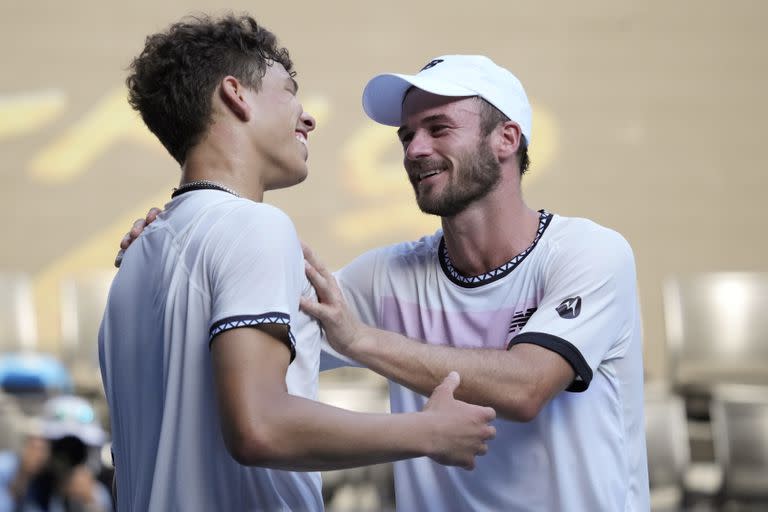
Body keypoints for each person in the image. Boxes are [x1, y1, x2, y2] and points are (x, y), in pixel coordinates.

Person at [119, 54, 649, 510]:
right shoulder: (384, 276)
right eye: (406, 135)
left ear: (506, 139)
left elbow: (527, 386)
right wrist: (175, 242)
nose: (414, 149)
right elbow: (240, 325)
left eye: (438, 128)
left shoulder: (590, 253)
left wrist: (365, 341)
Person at [99, 16, 495, 512]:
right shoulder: (255, 227)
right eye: (289, 91)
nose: (308, 118)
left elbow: (128, 468)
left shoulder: (133, 264)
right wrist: (426, 431)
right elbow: (258, 428)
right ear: (236, 95)